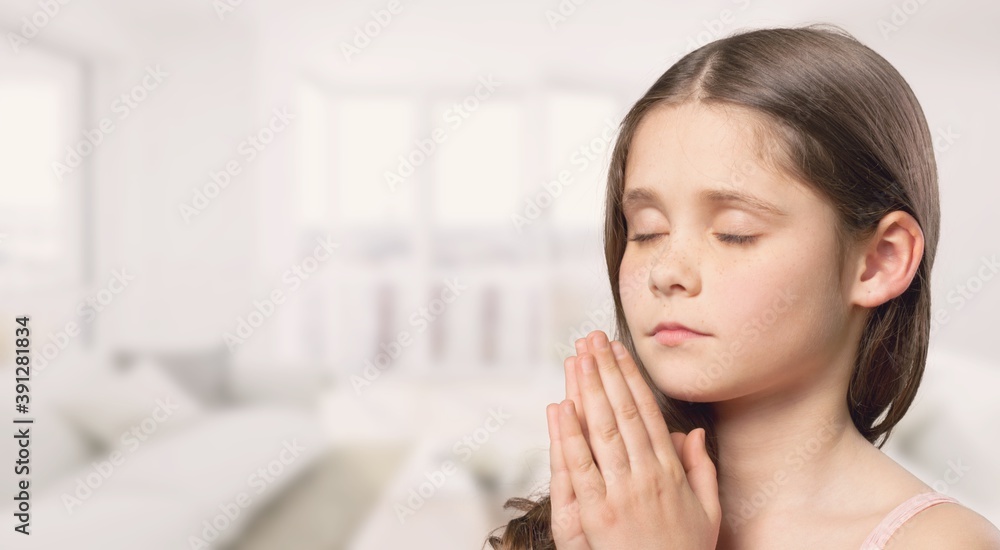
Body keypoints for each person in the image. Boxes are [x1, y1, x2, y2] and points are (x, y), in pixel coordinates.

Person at [486, 24, 1000, 549]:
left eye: (735, 233)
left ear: (880, 261)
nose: (665, 271)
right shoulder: (580, 523)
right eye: (646, 231)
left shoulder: (942, 541)